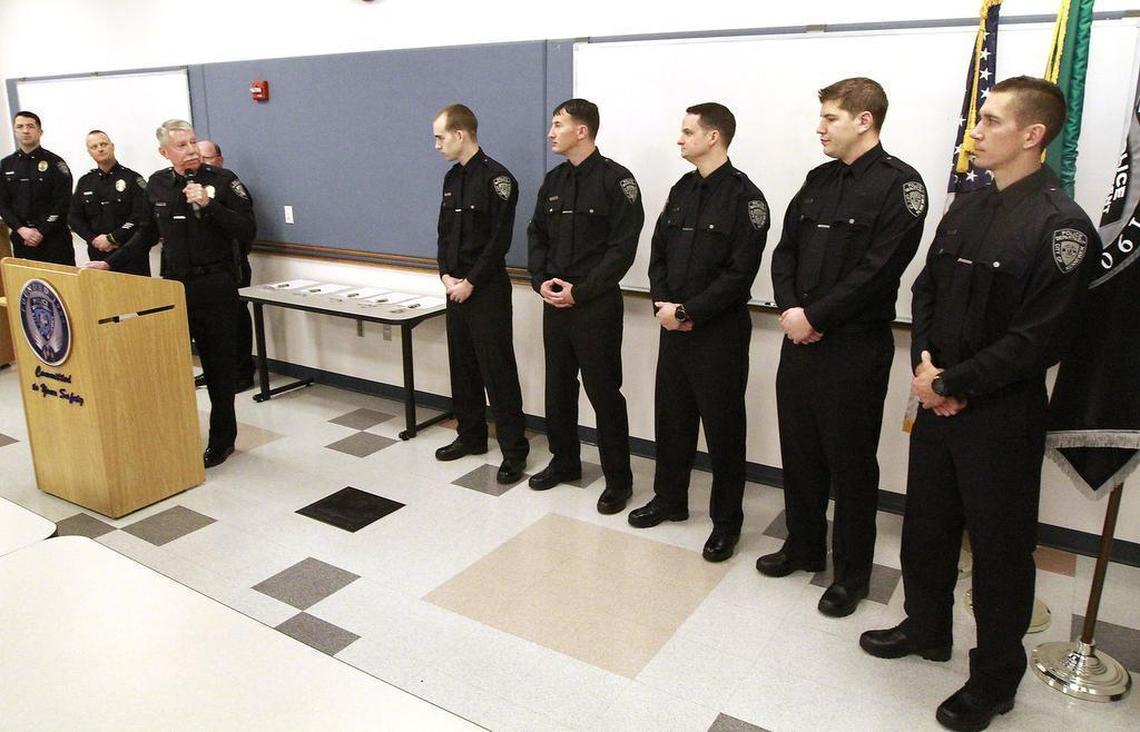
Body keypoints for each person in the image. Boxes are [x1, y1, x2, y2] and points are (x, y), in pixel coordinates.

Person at [859, 77, 1097, 732]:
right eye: (977, 119)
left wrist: (953, 383)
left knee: (998, 551)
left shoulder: (1060, 227)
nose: (976, 131)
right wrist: (928, 371)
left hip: (999, 415)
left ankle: (994, 678)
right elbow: (926, 290)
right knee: (927, 525)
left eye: (990, 121)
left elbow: (1037, 340)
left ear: (1032, 135)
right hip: (939, 401)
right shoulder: (966, 205)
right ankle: (926, 626)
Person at [759, 78, 927, 618]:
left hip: (853, 347)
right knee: (800, 450)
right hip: (800, 340)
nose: (820, 127)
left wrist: (816, 316)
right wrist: (791, 311)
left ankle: (851, 574)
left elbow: (879, 271)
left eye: (831, 117)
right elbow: (785, 251)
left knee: (851, 465)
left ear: (864, 120)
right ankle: (803, 545)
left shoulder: (902, 186)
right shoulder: (817, 180)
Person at [626, 103, 768, 562]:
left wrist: (689, 310)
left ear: (714, 137)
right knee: (673, 419)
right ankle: (670, 500)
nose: (679, 139)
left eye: (688, 132)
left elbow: (738, 274)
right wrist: (665, 306)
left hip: (718, 333)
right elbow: (658, 253)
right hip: (674, 327)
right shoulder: (680, 189)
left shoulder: (748, 199)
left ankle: (726, 523)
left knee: (724, 431)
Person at [85, 119, 256, 469]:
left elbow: (246, 229)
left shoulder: (224, 181)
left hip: (216, 285)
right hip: (175, 286)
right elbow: (146, 233)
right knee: (172, 365)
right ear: (165, 152)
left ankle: (223, 440)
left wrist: (210, 206)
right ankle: (175, 433)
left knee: (219, 367)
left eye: (193, 142)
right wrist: (110, 263)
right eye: (181, 145)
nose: (191, 149)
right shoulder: (158, 184)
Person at [527, 98, 644, 514]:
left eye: (558, 124)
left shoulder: (618, 181)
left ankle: (618, 480)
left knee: (603, 392)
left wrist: (581, 291)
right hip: (555, 302)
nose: (550, 132)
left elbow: (622, 249)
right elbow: (537, 234)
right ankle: (565, 461)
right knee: (557, 387)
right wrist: (541, 282)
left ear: (582, 130)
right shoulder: (553, 181)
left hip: (594, 305)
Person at [430, 103, 530, 483]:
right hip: (454, 288)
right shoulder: (451, 179)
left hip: (484, 290)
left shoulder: (498, 179)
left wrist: (470, 282)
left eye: (440, 137)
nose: (437, 145)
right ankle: (470, 436)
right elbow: (443, 233)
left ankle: (514, 451)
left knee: (497, 371)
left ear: (460, 134)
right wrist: (445, 275)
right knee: (463, 367)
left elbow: (498, 240)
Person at [196, 139, 256, 391]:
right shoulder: (186, 185)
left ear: (219, 160)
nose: (200, 163)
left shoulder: (226, 182)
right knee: (206, 325)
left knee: (236, 320)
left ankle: (242, 372)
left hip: (232, 264)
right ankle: (214, 371)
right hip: (201, 268)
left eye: (206, 158)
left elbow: (244, 227)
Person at [69, 130, 151, 276]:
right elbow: (74, 218)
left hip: (130, 254)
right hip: (98, 254)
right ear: (89, 152)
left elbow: (139, 216)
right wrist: (93, 239)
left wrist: (112, 238)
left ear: (112, 146)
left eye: (103, 144)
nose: (100, 149)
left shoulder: (132, 179)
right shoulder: (85, 182)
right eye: (94, 147)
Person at [0, 111, 74, 265]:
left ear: (40, 131)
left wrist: (41, 231)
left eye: (30, 126)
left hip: (54, 239)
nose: (25, 130)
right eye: (20, 127)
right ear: (15, 131)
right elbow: (3, 205)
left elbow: (63, 203)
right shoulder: (6, 165)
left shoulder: (55, 163)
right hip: (22, 240)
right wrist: (21, 229)